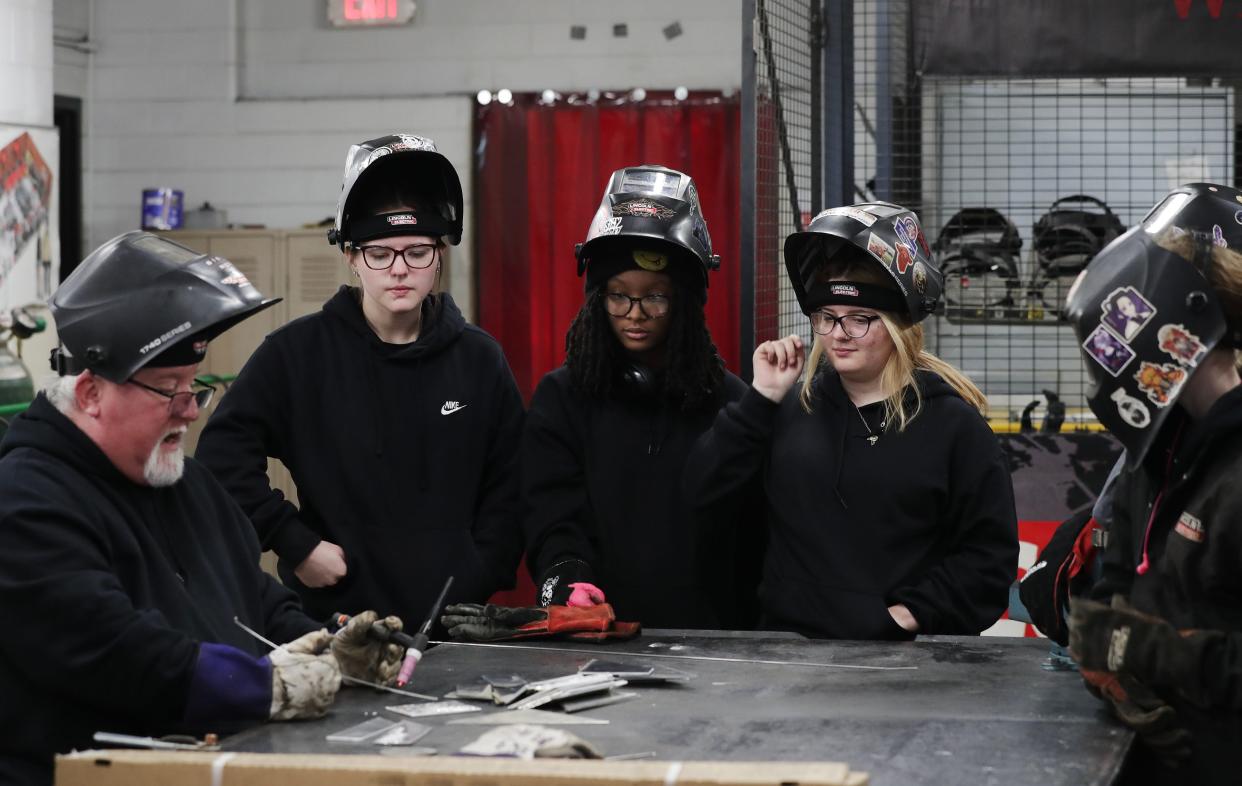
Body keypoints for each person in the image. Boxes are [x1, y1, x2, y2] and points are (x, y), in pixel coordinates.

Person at [0, 233, 402, 785]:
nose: (189, 412)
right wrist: (267, 686)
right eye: (170, 390)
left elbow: (256, 603)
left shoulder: (185, 483)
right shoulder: (26, 503)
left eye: (196, 388)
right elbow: (117, 653)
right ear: (91, 393)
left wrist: (328, 649)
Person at [196, 134, 524, 626]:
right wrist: (295, 542)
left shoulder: (479, 359)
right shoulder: (296, 355)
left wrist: (478, 571)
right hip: (339, 621)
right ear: (351, 256)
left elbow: (513, 482)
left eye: (417, 252)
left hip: (454, 623)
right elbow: (221, 457)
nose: (399, 270)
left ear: (439, 255)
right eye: (379, 253)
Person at [685, 203, 1018, 639]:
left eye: (860, 319)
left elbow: (987, 558)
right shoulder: (787, 408)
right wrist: (760, 399)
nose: (839, 334)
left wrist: (905, 616)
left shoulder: (953, 427)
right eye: (827, 317)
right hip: (786, 657)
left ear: (900, 325)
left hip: (904, 668)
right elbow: (701, 494)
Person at [522, 164, 762, 629]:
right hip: (600, 636)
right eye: (618, 295)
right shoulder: (561, 397)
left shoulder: (732, 405)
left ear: (686, 303)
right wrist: (567, 577)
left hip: (715, 644)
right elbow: (551, 516)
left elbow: (754, 535)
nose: (635, 314)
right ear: (598, 299)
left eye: (655, 297)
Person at [1064, 182, 1242, 783]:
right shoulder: (1161, 449)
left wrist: (1167, 656)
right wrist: (1107, 646)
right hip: (1152, 759)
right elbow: (1124, 576)